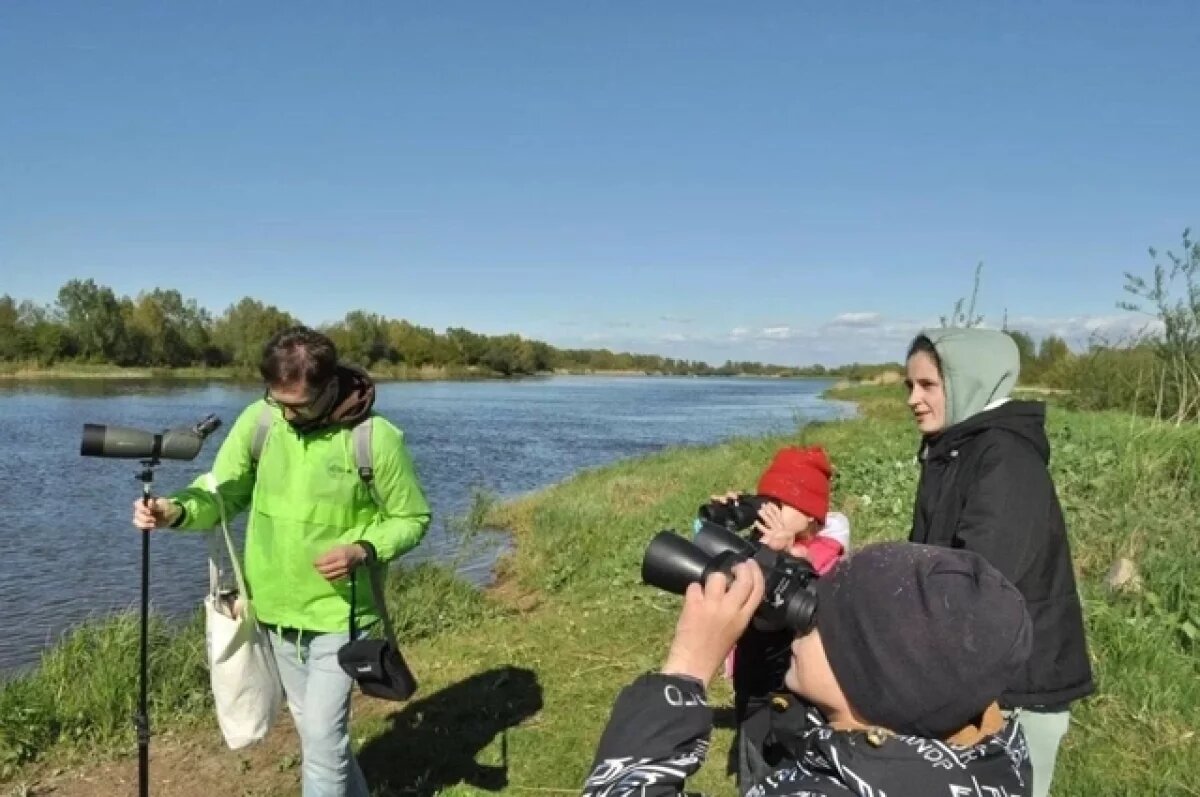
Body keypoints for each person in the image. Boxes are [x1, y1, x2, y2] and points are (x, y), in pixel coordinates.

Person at [132, 325, 432, 797]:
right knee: (317, 735)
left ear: (330, 385)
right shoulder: (262, 420)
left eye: (299, 404)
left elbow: (411, 517)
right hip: (274, 610)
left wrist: (363, 549)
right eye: (278, 401)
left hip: (341, 613)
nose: (288, 414)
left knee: (322, 738)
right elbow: (224, 491)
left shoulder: (375, 439)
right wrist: (177, 510)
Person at [582, 541, 1034, 796]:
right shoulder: (989, 756)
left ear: (868, 673)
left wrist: (685, 671)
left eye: (821, 619)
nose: (803, 628)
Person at [904, 327, 1094, 797]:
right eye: (908, 385)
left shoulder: (1005, 457)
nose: (913, 399)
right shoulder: (951, 449)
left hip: (1016, 683)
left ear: (967, 380)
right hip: (974, 671)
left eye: (928, 385)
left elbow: (982, 578)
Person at [709, 446, 850, 790]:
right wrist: (720, 519)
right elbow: (708, 558)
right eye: (765, 500)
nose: (769, 510)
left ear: (811, 518)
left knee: (790, 758)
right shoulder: (757, 543)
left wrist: (787, 556)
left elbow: (816, 597)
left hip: (798, 685)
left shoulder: (826, 556)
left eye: (782, 502)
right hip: (752, 679)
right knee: (753, 753)